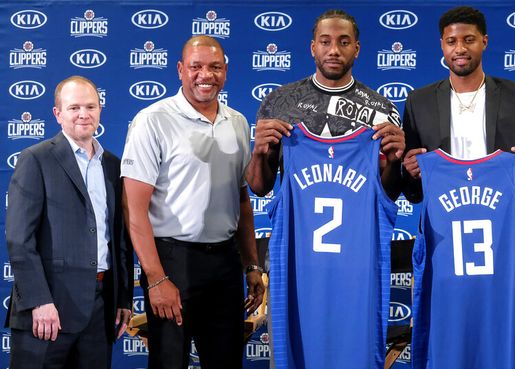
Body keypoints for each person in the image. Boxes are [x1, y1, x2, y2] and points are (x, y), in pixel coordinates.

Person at [121, 36, 264, 369]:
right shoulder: (152, 120)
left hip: (225, 264)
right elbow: (134, 209)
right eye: (196, 67)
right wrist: (156, 279)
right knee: (169, 362)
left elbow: (241, 200)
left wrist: (252, 265)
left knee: (226, 362)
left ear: (226, 71)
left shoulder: (239, 123)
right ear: (180, 70)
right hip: (173, 262)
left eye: (215, 67)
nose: (206, 75)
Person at [5, 75, 133, 369]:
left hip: (101, 311)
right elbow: (19, 239)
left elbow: (120, 238)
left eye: (90, 106)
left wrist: (123, 298)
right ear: (57, 114)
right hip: (48, 309)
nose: (83, 114)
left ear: (100, 110)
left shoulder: (113, 165)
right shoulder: (35, 159)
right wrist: (39, 301)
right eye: (74, 107)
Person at [246, 9, 405, 199]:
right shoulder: (279, 102)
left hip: (360, 227)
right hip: (295, 227)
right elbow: (259, 188)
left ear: (357, 49)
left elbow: (390, 196)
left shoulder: (382, 110)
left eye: (344, 42)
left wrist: (395, 163)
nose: (334, 51)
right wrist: (258, 153)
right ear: (313, 48)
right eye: (325, 42)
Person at [401, 6, 515, 203]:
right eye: (451, 41)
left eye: (469, 40)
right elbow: (413, 193)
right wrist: (411, 174)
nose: (460, 48)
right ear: (442, 45)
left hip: (504, 221)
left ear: (484, 41)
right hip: (442, 223)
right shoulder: (419, 101)